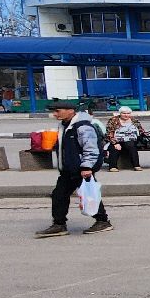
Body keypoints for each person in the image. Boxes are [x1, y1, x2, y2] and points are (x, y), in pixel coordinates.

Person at [36, 99, 112, 237]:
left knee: (89, 195)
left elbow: (91, 148)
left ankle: (103, 221)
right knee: (59, 195)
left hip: (81, 169)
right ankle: (59, 224)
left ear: (70, 110)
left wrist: (87, 167)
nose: (55, 114)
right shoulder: (65, 125)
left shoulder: (83, 126)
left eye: (57, 111)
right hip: (68, 169)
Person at [104, 106, 148, 170]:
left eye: (128, 113)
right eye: (124, 113)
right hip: (117, 140)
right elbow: (109, 133)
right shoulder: (113, 120)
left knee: (131, 145)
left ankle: (136, 165)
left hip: (131, 140)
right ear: (120, 113)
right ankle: (113, 167)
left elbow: (141, 130)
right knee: (115, 148)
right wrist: (115, 143)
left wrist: (144, 134)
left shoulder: (134, 120)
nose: (126, 115)